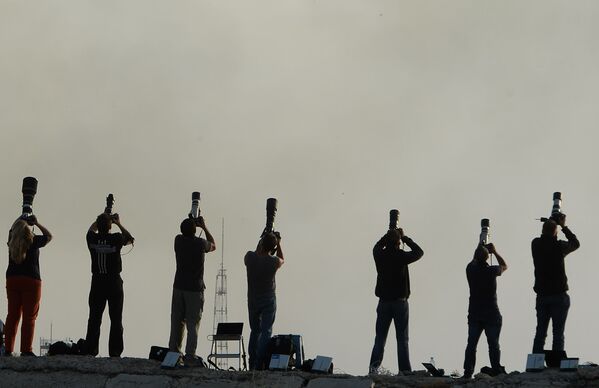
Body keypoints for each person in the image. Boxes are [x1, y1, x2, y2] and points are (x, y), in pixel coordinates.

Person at [369, 228, 423, 374]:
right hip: (400, 303)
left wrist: (387, 236)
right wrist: (405, 237)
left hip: (384, 302)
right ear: (398, 243)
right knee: (402, 339)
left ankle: (373, 369)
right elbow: (419, 252)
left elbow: (376, 246)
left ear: (387, 242)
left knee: (380, 339)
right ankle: (404, 371)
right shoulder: (401, 256)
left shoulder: (380, 255)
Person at [84, 213, 134, 357]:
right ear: (110, 226)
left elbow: (90, 231)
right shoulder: (116, 238)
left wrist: (100, 220)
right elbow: (130, 239)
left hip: (97, 281)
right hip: (114, 282)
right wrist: (118, 222)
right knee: (116, 318)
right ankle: (115, 351)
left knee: (94, 317)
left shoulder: (92, 239)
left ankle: (91, 349)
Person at [168, 217, 216, 362]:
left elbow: (186, 231)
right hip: (195, 289)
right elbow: (213, 245)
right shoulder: (200, 244)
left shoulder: (178, 240)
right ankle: (190, 355)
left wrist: (192, 223)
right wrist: (204, 227)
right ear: (195, 229)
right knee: (192, 324)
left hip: (179, 287)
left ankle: (174, 353)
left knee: (177, 321)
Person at [531, 214, 580, 354]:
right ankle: (556, 362)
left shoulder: (535, 244)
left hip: (542, 295)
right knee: (558, 332)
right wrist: (563, 226)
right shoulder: (559, 247)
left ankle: (536, 361)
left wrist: (551, 224)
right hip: (559, 295)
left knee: (540, 332)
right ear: (555, 232)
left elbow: (545, 237)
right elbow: (575, 244)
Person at [4, 216, 52, 356]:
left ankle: (8, 349)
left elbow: (11, 230)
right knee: (29, 317)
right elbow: (49, 236)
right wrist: (36, 223)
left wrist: (21, 218)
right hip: (31, 280)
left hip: (12, 279)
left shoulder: (11, 242)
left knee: (12, 316)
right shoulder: (33, 240)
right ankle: (26, 350)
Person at [463, 243, 508, 379]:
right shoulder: (491, 271)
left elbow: (473, 261)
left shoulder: (470, 270)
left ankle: (467, 372)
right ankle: (496, 369)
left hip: (475, 313)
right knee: (493, 344)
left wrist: (479, 246)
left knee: (471, 344)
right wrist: (494, 251)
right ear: (487, 258)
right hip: (491, 313)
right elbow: (504, 266)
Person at [245, 232, 284, 370]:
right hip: (268, 299)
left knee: (254, 331)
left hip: (253, 299)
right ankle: (261, 362)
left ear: (261, 243)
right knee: (266, 331)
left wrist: (263, 239)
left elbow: (257, 252)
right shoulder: (273, 262)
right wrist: (278, 242)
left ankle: (252, 361)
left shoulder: (249, 257)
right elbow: (281, 259)